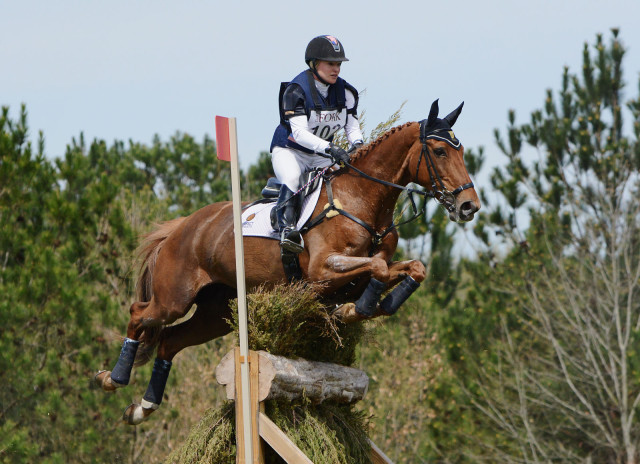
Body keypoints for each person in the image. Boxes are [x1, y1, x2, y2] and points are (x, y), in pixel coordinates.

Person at [270, 35, 364, 253]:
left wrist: (358, 144)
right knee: (293, 179)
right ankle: (286, 230)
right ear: (314, 63)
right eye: (330, 63)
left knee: (345, 183)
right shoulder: (296, 90)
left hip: (321, 154)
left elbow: (351, 126)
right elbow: (300, 134)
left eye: (338, 64)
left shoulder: (347, 93)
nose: (336, 69)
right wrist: (331, 149)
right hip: (290, 150)